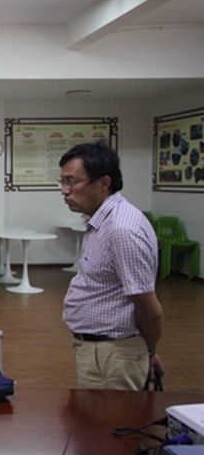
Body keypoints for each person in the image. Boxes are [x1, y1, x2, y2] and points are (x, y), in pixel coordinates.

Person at [59, 141, 163, 390]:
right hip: (100, 350)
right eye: (62, 181)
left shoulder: (121, 230)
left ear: (104, 183)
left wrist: (148, 352)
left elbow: (149, 308)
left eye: (72, 182)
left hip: (113, 354)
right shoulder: (101, 221)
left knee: (112, 415)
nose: (64, 190)